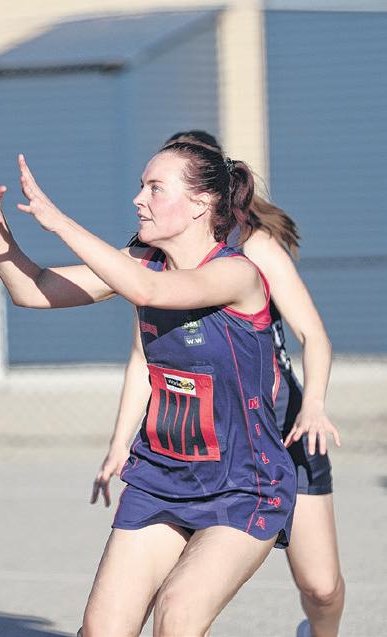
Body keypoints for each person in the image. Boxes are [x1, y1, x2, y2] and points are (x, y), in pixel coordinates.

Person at [0, 136, 298, 636]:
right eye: (141, 186)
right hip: (163, 475)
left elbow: (149, 291)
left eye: (156, 188)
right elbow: (31, 289)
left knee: (177, 615)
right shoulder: (141, 263)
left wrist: (57, 220)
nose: (139, 199)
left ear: (200, 204)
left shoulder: (236, 273)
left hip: (244, 482)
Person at [93, 130, 344, 637]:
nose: (147, 198)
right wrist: (119, 443)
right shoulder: (160, 259)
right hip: (211, 441)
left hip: (284, 426)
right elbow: (144, 359)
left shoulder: (252, 248)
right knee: (173, 603)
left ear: (209, 196)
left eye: (160, 186)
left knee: (320, 585)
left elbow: (314, 335)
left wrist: (314, 403)